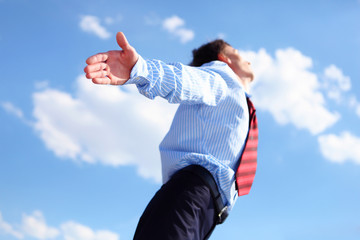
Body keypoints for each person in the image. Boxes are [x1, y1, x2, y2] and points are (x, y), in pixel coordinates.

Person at [84, 32, 257, 240]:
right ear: (224, 59)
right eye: (236, 52)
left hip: (205, 211)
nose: (247, 59)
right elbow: (188, 80)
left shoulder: (240, 102)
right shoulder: (222, 76)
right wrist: (140, 70)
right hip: (189, 196)